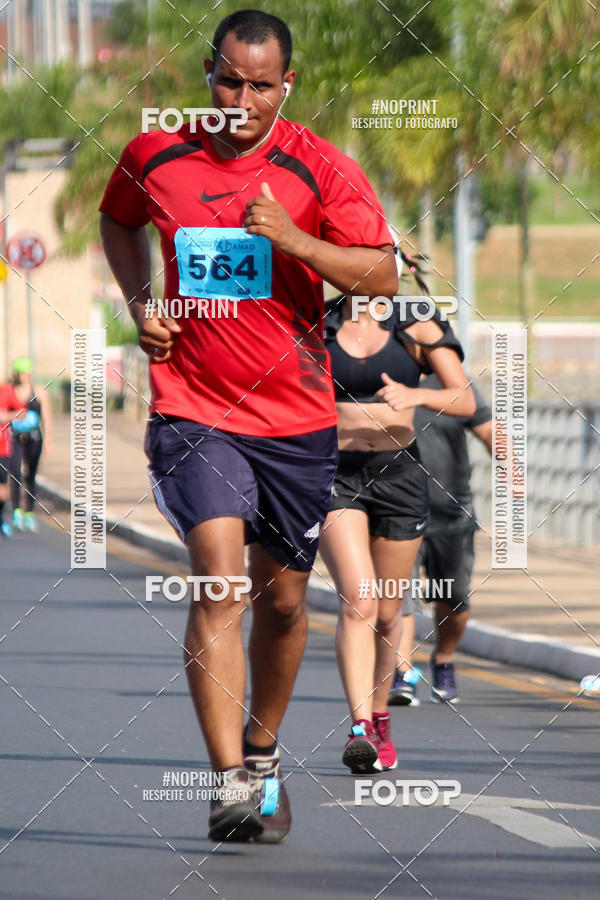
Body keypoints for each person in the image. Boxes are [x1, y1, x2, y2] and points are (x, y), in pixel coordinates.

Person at [99, 9, 397, 842]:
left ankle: (262, 754)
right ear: (208, 71)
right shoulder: (156, 153)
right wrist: (139, 303)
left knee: (287, 600)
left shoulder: (319, 167)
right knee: (219, 577)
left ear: (286, 85)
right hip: (193, 405)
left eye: (261, 85)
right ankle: (230, 779)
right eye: (229, 79)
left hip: (294, 417)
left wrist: (296, 239)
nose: (242, 98)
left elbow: (379, 271)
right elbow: (118, 220)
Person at [320, 294, 475, 774]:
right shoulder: (317, 321)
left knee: (389, 613)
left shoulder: (416, 321)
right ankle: (359, 726)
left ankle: (381, 712)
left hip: (400, 477)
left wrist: (418, 396)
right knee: (358, 601)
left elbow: (465, 398)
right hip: (336, 475)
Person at [389, 374, 494, 705]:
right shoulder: (384, 375)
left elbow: (488, 428)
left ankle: (444, 658)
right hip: (396, 509)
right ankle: (402, 674)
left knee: (455, 597)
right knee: (399, 596)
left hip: (452, 513)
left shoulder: (454, 384)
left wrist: (511, 465)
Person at [9, 358, 52, 533]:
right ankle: (16, 511)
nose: (23, 376)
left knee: (31, 475)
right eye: (20, 372)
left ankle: (29, 511)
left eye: (25, 372)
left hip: (34, 438)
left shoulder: (39, 392)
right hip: (15, 438)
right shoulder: (9, 392)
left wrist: (48, 439)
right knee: (16, 473)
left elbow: (47, 418)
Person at [0, 379, 24, 537]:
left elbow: (23, 412)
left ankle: (0, 517)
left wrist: (6, 416)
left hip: (2, 449)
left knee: (3, 492)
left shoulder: (6, 390)